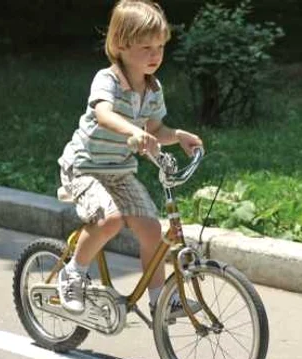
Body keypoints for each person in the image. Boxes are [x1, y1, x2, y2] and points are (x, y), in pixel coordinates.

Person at [56, 0, 203, 316]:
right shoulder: (107, 79)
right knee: (109, 220)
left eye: (160, 47)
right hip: (84, 168)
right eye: (146, 47)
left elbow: (155, 128)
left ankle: (161, 299)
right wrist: (131, 133)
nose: (156, 55)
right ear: (121, 46)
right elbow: (104, 114)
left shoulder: (153, 88)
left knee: (152, 231)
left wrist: (177, 136)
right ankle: (73, 274)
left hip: (119, 171)